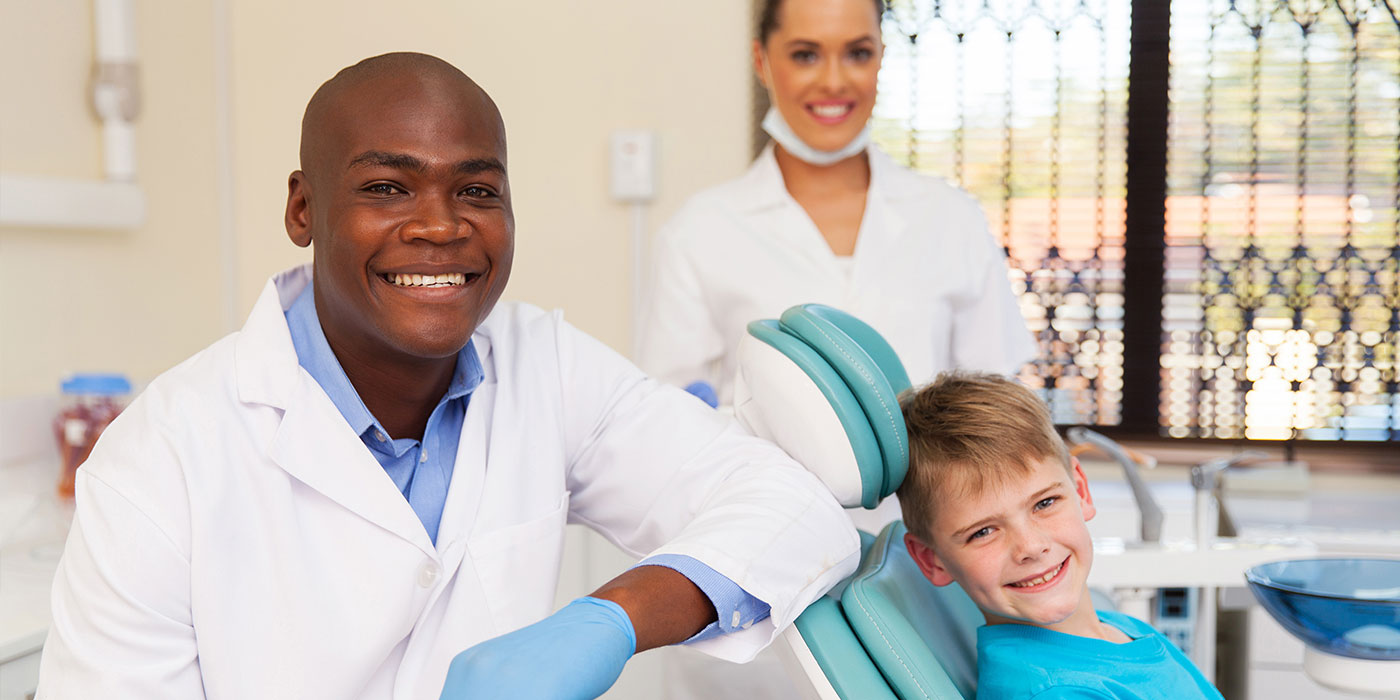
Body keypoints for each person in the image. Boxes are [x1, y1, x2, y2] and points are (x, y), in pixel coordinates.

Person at [36, 52, 860, 700]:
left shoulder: (546, 364)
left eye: (475, 189)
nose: (440, 225)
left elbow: (792, 508)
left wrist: (611, 617)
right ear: (303, 209)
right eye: (387, 187)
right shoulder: (160, 460)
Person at [636, 0, 1035, 409]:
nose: (833, 81)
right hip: (756, 476)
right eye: (805, 55)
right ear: (761, 60)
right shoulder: (699, 233)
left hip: (926, 477)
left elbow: (994, 408)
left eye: (858, 53)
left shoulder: (951, 218)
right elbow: (669, 421)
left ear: (882, 56)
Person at [898, 372, 1224, 700]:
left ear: (1080, 489)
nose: (1032, 546)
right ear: (932, 560)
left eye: (1045, 503)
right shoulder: (1056, 692)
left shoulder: (1122, 630)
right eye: (983, 532)